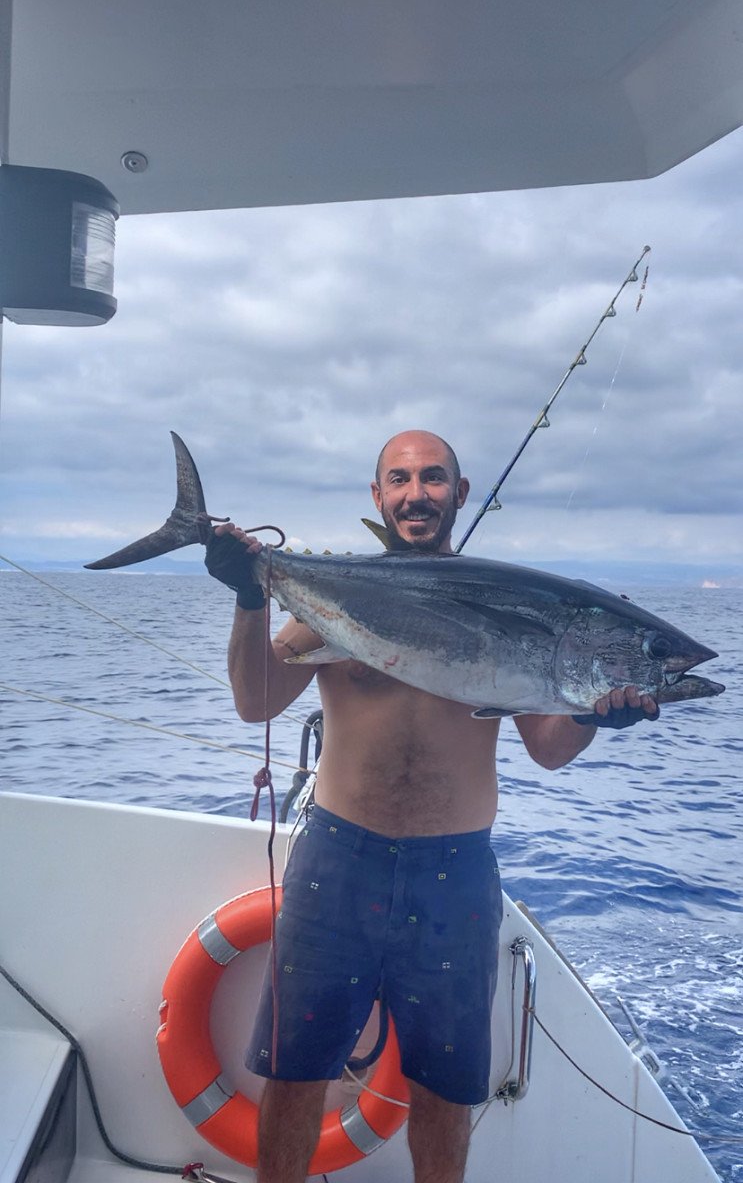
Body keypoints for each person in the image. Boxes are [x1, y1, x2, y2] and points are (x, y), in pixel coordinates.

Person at [206, 430, 658, 1183]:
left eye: (433, 477)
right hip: (337, 861)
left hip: (452, 871)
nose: (417, 492)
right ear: (377, 496)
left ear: (460, 492)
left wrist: (590, 713)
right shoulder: (338, 596)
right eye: (400, 479)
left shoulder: (496, 608)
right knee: (293, 1075)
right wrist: (250, 599)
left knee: (445, 1092)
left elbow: (546, 749)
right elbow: (255, 702)